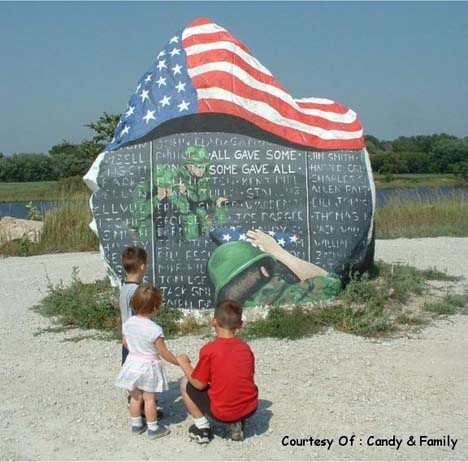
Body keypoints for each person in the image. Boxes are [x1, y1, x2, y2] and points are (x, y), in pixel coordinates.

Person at [177, 300, 258, 444]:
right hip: (250, 408)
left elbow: (199, 384)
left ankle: (202, 429)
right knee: (239, 384)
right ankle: (236, 422)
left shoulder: (209, 350)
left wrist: (184, 364)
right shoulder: (245, 348)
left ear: (213, 322)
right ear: (241, 324)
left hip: (222, 412)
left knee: (185, 382)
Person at [207, 229, 342, 307]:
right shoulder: (296, 296)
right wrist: (278, 251)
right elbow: (332, 282)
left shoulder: (232, 320)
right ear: (264, 270)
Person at [115, 284, 179, 439]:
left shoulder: (128, 323)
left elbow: (125, 343)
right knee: (149, 399)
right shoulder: (154, 329)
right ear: (155, 307)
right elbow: (163, 352)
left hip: (132, 364)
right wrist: (178, 361)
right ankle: (153, 428)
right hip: (148, 366)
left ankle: (136, 425)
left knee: (135, 397)